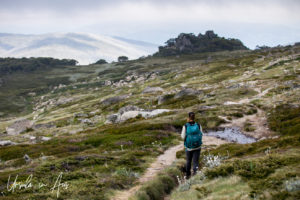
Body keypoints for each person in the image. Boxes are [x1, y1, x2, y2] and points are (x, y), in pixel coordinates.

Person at [181, 112, 203, 178]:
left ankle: (188, 175)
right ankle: (195, 175)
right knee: (195, 161)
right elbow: (201, 134)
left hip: (188, 147)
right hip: (197, 147)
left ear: (188, 117)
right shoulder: (198, 125)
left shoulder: (185, 126)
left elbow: (183, 136)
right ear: (194, 117)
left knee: (188, 161)